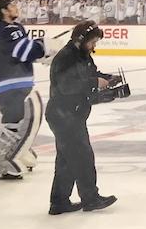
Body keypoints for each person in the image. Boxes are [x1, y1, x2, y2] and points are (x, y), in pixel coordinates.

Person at [47, 21, 126, 215]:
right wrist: (94, 82)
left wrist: (107, 79)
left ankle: (59, 202)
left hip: (70, 114)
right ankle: (90, 198)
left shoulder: (82, 55)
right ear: (81, 40)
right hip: (64, 115)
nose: (94, 46)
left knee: (67, 160)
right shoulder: (66, 57)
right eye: (92, 42)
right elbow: (67, 86)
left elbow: (90, 75)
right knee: (82, 157)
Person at [0, 0, 52, 180]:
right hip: (11, 84)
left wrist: (40, 49)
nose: (17, 8)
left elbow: (20, 54)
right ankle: (5, 162)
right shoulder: (10, 30)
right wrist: (43, 45)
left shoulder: (2, 29)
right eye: (13, 6)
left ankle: (17, 154)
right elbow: (24, 51)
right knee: (27, 119)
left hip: (4, 83)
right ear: (4, 11)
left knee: (16, 122)